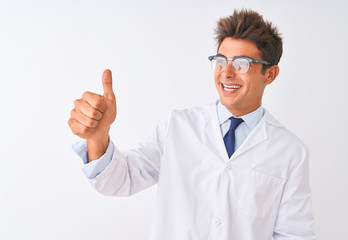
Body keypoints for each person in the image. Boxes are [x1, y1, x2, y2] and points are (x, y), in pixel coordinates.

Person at [68, 9, 315, 240]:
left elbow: (294, 235)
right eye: (221, 60)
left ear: (270, 74)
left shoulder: (290, 152)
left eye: (241, 63)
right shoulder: (178, 126)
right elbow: (120, 181)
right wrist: (98, 136)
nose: (226, 72)